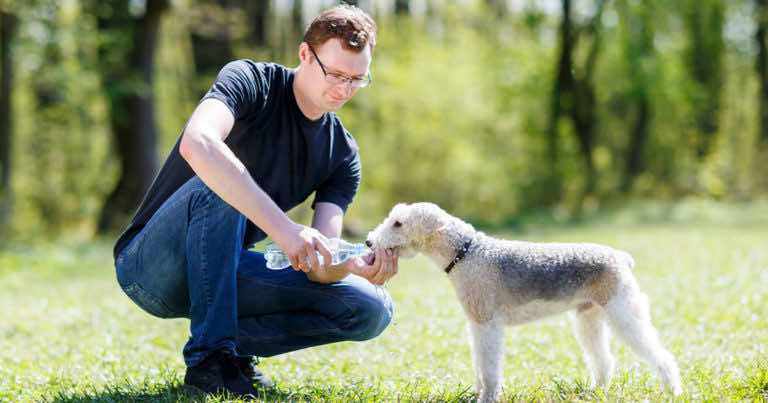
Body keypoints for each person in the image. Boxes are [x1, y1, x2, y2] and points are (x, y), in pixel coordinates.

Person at [112, 4, 398, 398]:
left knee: (372, 308)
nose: (343, 89)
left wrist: (344, 265)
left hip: (224, 272)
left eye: (356, 79)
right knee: (221, 173)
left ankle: (233, 347)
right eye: (334, 73)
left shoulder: (342, 154)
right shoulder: (249, 80)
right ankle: (210, 361)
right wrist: (284, 230)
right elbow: (199, 143)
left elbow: (320, 264)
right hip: (150, 266)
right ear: (304, 54)